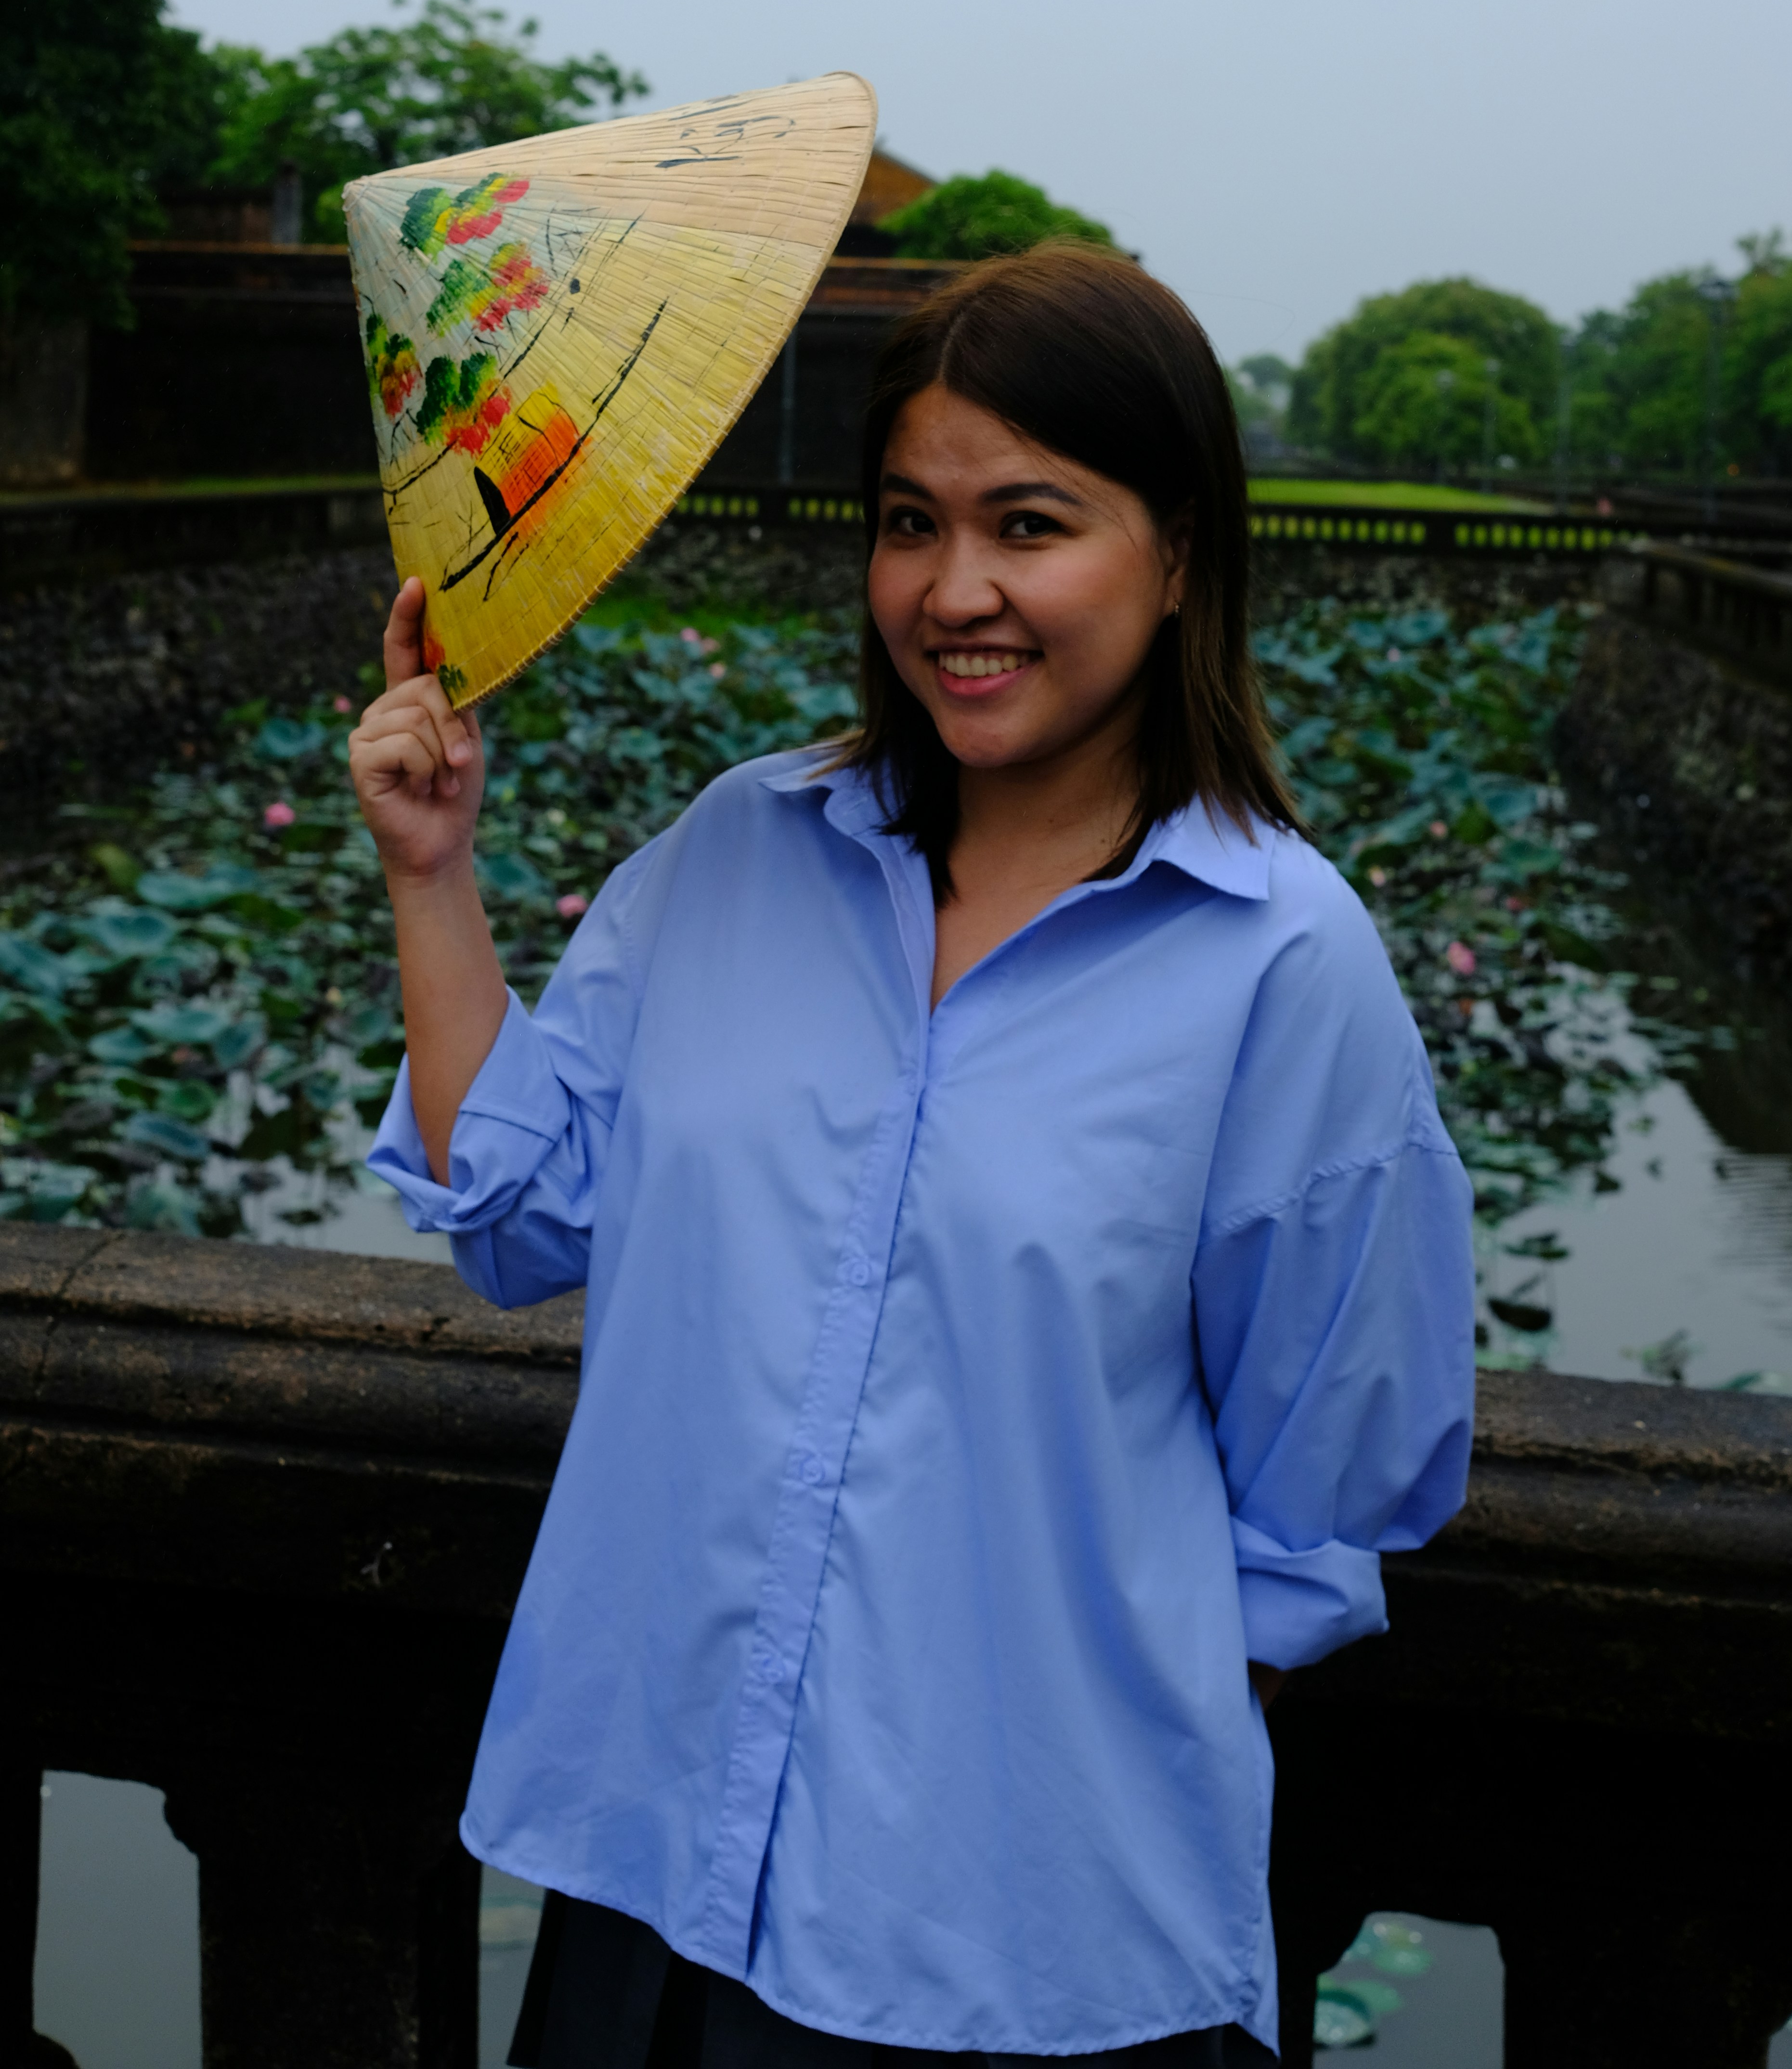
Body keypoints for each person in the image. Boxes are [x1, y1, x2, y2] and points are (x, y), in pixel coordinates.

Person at [359, 243, 1476, 2069]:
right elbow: (529, 1210)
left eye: (1032, 523)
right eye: (908, 522)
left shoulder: (1283, 963)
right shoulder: (742, 850)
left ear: (1181, 548)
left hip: (1016, 1934)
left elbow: (1328, 1484)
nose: (957, 591)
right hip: (659, 1854)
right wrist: (433, 874)